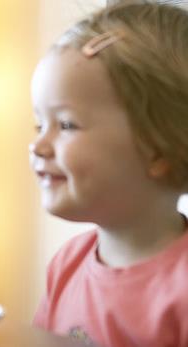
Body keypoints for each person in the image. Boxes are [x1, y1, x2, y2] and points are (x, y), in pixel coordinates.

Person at [29, 2, 188, 346]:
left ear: (157, 148)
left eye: (66, 124)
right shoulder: (68, 263)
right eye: (40, 124)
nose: (38, 145)